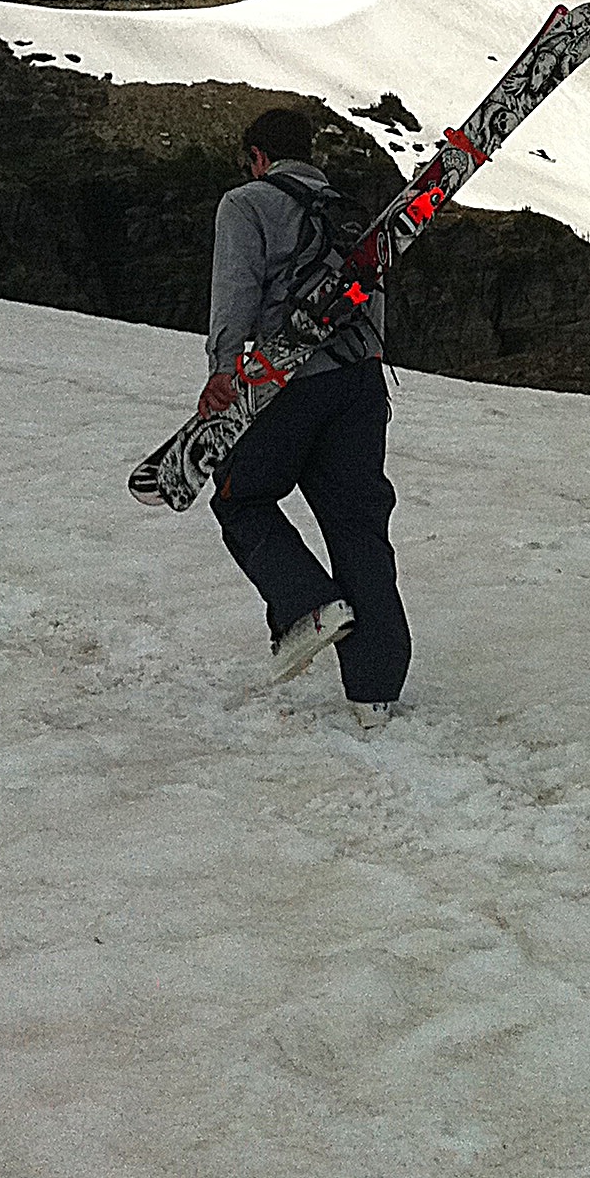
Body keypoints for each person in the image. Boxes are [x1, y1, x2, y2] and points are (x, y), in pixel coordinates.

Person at [199, 106, 412, 727]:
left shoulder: (247, 203)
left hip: (289, 384)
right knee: (357, 524)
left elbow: (236, 290)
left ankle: (305, 606)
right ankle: (376, 692)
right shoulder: (353, 213)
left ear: (259, 155)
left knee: (241, 498)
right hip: (362, 385)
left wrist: (222, 369)